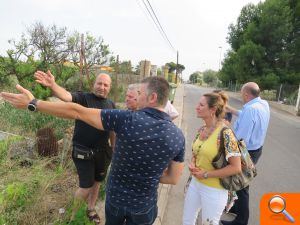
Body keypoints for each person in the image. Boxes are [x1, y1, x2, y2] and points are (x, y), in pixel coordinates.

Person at [1, 76, 185, 225]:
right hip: (144, 206)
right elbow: (173, 178)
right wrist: (149, 175)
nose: (136, 97)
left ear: (152, 98)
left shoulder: (127, 119)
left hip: (116, 202)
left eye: (140, 93)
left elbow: (76, 112)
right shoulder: (178, 137)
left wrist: (33, 103)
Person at [34, 70, 116, 224]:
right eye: (99, 83)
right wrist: (53, 85)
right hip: (83, 151)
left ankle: (91, 209)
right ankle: (73, 216)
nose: (102, 87)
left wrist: (114, 148)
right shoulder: (84, 98)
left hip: (103, 151)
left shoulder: (111, 104)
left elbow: (112, 129)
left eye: (106, 85)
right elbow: (66, 96)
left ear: (109, 87)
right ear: (94, 84)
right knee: (85, 186)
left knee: (97, 181)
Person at [182, 92, 242, 225]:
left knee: (209, 223)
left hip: (215, 190)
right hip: (195, 184)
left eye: (201, 105)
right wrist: (193, 163)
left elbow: (236, 167)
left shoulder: (226, 134)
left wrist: (206, 174)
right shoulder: (202, 129)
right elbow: (196, 152)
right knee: (187, 221)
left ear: (213, 110)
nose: (196, 107)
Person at [221, 82, 270, 225]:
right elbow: (247, 116)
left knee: (242, 185)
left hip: (246, 151)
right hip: (257, 149)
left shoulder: (251, 110)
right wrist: (233, 110)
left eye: (242, 93)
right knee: (241, 183)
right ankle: (236, 207)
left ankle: (241, 221)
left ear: (247, 94)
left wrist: (226, 134)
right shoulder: (262, 104)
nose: (241, 96)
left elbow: (241, 137)